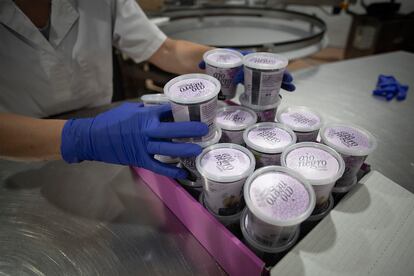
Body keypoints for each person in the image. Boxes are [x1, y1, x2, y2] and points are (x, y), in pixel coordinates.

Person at [0, 0, 295, 178]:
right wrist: (81, 138)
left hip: (109, 128)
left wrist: (222, 61)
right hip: (19, 151)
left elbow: (165, 50)